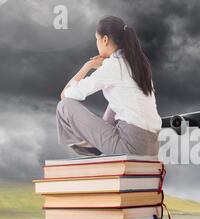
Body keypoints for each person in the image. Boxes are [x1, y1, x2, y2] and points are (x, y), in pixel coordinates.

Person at [57, 16, 162, 157]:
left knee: (64, 106)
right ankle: (95, 145)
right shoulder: (138, 64)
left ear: (105, 40)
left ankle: (87, 144)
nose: (97, 43)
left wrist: (87, 67)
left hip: (131, 145)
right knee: (116, 101)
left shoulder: (113, 66)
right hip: (153, 146)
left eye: (97, 39)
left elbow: (65, 95)